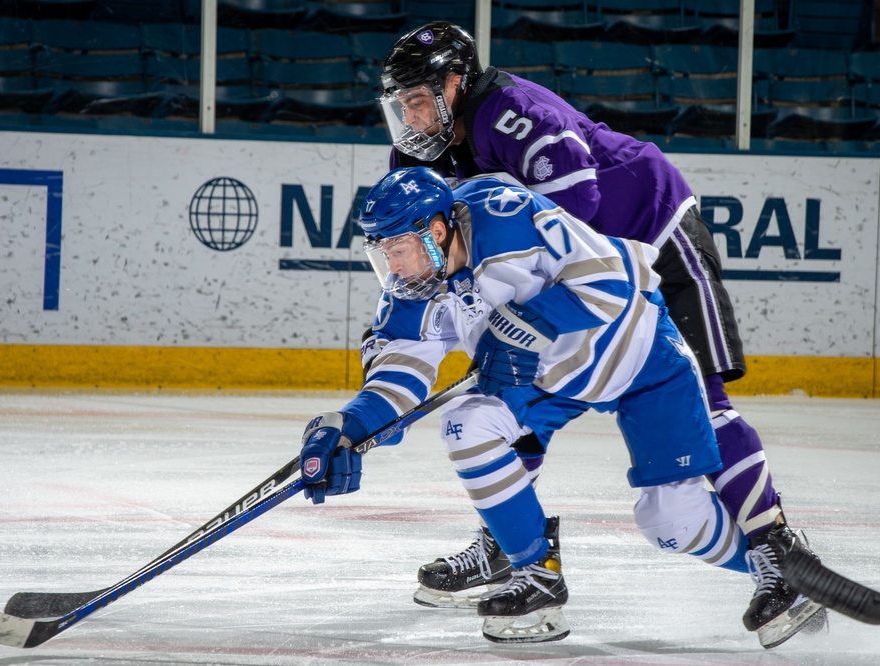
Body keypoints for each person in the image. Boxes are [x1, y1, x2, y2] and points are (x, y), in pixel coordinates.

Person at [365, 22, 826, 648]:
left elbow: (572, 218)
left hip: (651, 236)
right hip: (578, 283)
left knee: (705, 401)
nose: (411, 117)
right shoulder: (419, 153)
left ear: (456, 81)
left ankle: (777, 550)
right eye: (403, 104)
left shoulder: (513, 115)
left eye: (420, 98)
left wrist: (526, 315)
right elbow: (432, 251)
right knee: (510, 407)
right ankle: (510, 542)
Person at [300, 166, 825, 646]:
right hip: (549, 380)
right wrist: (350, 427)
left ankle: (786, 573)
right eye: (382, 254)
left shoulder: (503, 215)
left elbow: (611, 283)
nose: (391, 267)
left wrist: (522, 327)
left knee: (671, 523)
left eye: (397, 250)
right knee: (465, 424)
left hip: (635, 352)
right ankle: (537, 575)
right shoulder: (411, 290)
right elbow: (399, 378)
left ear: (435, 232)